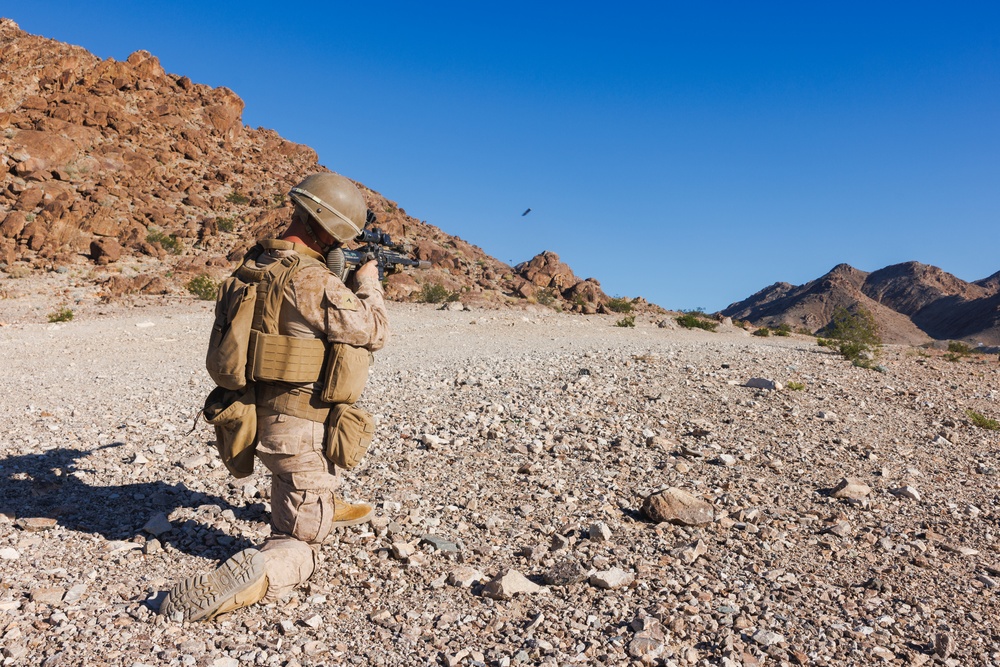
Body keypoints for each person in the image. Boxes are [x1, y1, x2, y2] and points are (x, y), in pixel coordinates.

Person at [161, 173, 388, 622]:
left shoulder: (252, 267)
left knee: (297, 477)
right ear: (328, 229)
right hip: (296, 430)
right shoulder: (312, 280)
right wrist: (368, 281)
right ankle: (262, 569)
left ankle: (318, 498)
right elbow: (373, 330)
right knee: (303, 542)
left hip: (249, 417)